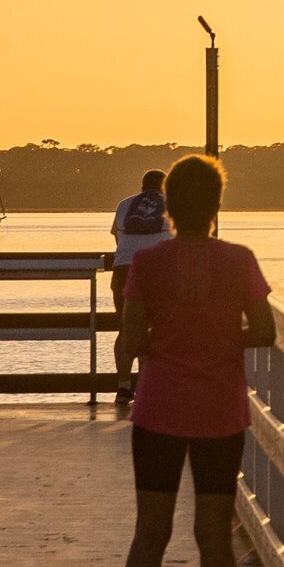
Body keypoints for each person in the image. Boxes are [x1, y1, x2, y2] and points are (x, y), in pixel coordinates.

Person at [110, 153, 275, 567]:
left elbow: (130, 343)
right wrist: (223, 338)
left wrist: (157, 347)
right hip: (219, 411)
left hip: (158, 409)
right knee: (214, 536)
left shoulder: (149, 266)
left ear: (169, 209)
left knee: (149, 533)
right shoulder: (240, 260)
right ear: (217, 205)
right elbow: (265, 330)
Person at [108, 168, 171, 412]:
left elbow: (117, 239)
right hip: (158, 273)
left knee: (126, 329)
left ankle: (123, 387)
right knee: (156, 328)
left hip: (124, 270)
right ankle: (147, 387)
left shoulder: (124, 205)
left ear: (142, 186)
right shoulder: (172, 203)